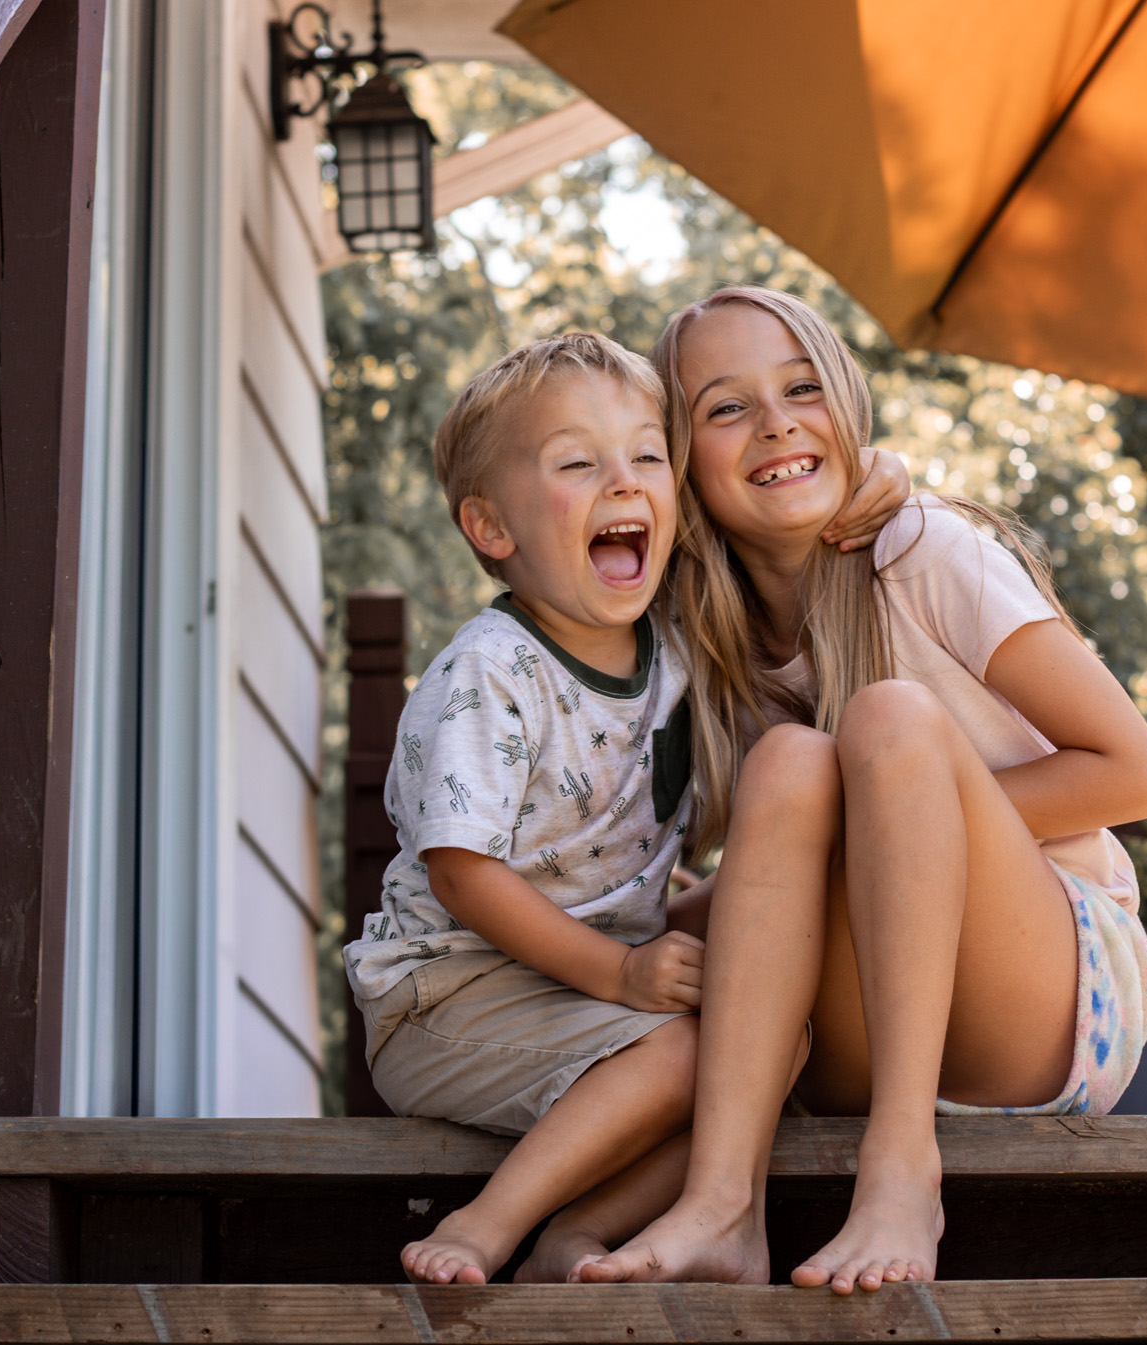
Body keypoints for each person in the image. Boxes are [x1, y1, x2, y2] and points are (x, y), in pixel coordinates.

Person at [579, 288, 1147, 1294]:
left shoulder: (920, 550)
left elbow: (1135, 774)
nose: (774, 422)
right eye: (725, 409)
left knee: (886, 725)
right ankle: (723, 1207)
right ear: (679, 460)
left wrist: (900, 811)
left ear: (847, 406)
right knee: (794, 763)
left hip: (1048, 995)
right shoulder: (702, 630)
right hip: (860, 1012)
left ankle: (902, 1170)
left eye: (801, 388)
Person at [342, 331, 906, 1286]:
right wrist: (622, 971)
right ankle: (488, 1224)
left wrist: (878, 476)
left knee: (772, 1037)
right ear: (491, 528)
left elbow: (779, 515)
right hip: (450, 996)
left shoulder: (674, 647)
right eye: (577, 462)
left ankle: (577, 1234)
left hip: (591, 989)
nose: (624, 482)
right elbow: (462, 873)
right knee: (700, 1051)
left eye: (649, 456)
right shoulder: (491, 672)